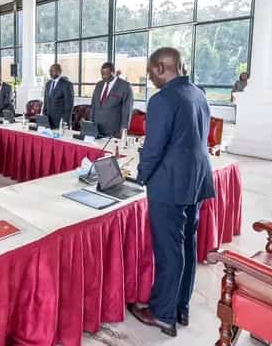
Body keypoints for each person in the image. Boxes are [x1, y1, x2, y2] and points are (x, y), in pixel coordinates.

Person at [128, 47, 215, 338]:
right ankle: (180, 306)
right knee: (187, 244)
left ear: (162, 68)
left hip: (170, 183)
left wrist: (140, 177)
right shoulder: (197, 93)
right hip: (197, 179)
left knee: (169, 249)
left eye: (151, 72)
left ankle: (162, 314)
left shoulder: (162, 99)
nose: (150, 78)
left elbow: (154, 147)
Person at [90, 62, 134, 138]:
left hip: (113, 131)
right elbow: (93, 106)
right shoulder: (99, 85)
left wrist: (123, 131)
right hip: (96, 129)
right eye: (102, 74)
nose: (103, 77)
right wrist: (91, 124)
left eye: (106, 74)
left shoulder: (125, 86)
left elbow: (127, 111)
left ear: (113, 72)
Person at [42, 63, 74, 129]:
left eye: (52, 71)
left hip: (60, 121)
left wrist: (65, 122)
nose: (50, 73)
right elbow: (46, 101)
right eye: (49, 71)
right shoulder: (48, 84)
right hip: (48, 120)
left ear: (59, 72)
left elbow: (69, 106)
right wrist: (44, 116)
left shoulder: (67, 84)